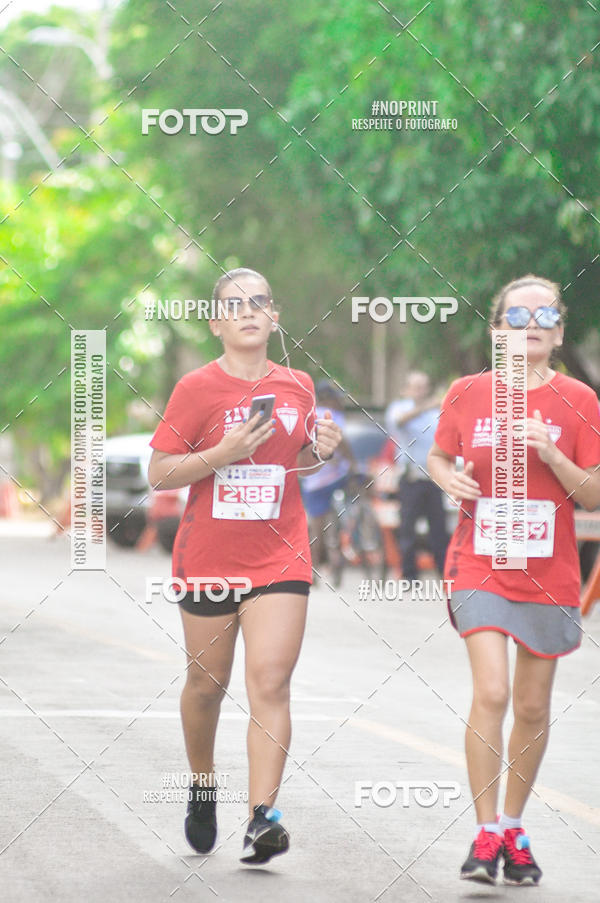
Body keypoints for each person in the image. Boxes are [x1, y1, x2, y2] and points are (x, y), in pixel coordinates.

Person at [147, 267, 341, 864]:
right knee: (207, 686)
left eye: (258, 301)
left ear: (275, 316)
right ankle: (203, 785)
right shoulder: (196, 389)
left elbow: (296, 461)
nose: (248, 311)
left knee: (271, 681)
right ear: (217, 323)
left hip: (280, 552)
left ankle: (262, 817)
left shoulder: (298, 384)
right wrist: (220, 453)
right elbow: (158, 472)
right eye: (234, 304)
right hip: (208, 557)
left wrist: (320, 449)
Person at [427, 275, 600, 886]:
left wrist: (553, 455)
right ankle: (483, 831)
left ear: (557, 332)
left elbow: (595, 493)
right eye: (516, 314)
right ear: (496, 329)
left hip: (550, 571)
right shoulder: (468, 392)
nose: (530, 323)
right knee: (493, 693)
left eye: (544, 314)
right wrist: (447, 478)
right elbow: (439, 455)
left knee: (531, 704)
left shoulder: (580, 398)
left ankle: (514, 828)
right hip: (479, 563)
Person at [385, 371, 449, 581]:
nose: (421, 390)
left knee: (438, 528)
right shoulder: (400, 408)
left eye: (424, 386)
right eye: (416, 386)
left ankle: (443, 571)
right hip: (411, 477)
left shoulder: (435, 412)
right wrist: (424, 408)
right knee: (408, 528)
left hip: (432, 477)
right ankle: (409, 574)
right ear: (406, 389)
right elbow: (398, 423)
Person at [300, 380, 355, 585]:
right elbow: (342, 443)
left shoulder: (308, 415)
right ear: (328, 399)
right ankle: (348, 539)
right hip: (335, 477)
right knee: (345, 508)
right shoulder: (334, 416)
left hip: (313, 480)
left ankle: (312, 570)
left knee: (317, 526)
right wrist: (352, 463)